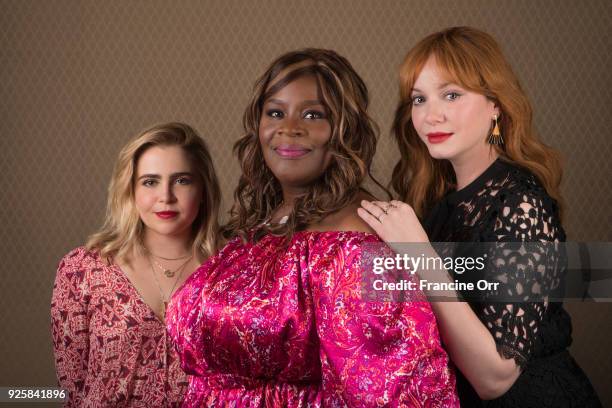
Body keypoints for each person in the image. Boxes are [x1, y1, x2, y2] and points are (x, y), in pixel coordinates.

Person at [167, 48, 458, 407]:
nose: (289, 128)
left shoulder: (356, 247)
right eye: (275, 112)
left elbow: (387, 393)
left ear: (343, 131)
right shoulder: (254, 230)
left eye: (312, 114)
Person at [358, 27, 601, 407]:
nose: (430, 115)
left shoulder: (522, 203)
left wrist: (418, 252)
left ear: (495, 105)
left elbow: (496, 376)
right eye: (418, 99)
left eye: (451, 94)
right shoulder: (437, 204)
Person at [51, 122, 221, 407]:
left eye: (182, 180)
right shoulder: (82, 270)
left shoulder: (235, 269)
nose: (165, 197)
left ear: (203, 189)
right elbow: (73, 388)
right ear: (130, 189)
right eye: (150, 181)